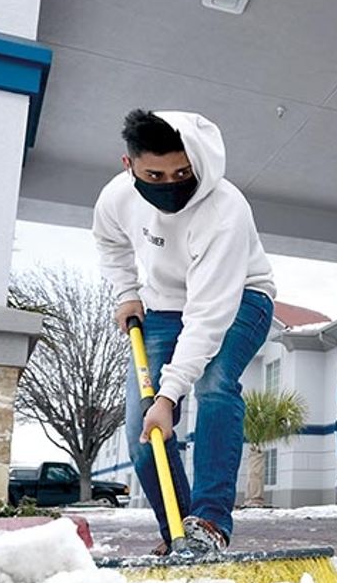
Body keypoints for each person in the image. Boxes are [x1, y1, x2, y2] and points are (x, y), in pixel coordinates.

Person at [93, 109, 276, 555]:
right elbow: (110, 241)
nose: (170, 183)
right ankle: (177, 529)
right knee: (142, 425)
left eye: (182, 172)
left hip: (240, 298)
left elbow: (209, 315)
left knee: (214, 384)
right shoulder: (117, 197)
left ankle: (210, 523)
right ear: (128, 165)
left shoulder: (224, 209)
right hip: (160, 307)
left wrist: (170, 395)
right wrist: (126, 292)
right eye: (154, 174)